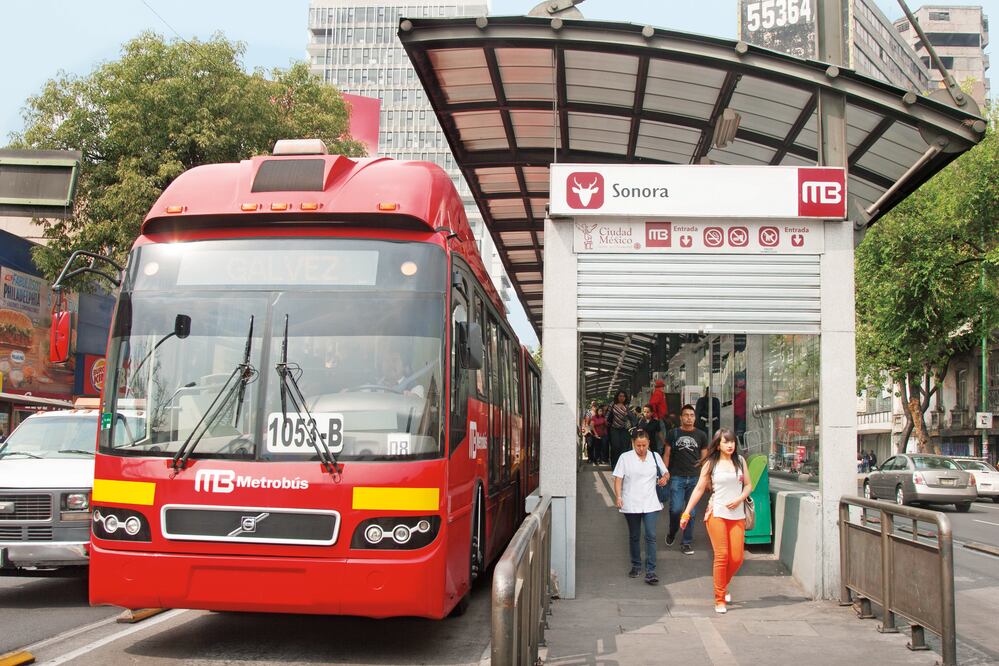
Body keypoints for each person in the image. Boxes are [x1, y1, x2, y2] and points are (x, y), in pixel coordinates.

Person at [679, 428, 752, 614]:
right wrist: (686, 512)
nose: (730, 445)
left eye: (732, 441)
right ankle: (719, 598)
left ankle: (722, 585)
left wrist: (740, 499)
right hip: (717, 514)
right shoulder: (711, 463)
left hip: (737, 515)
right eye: (726, 442)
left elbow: (748, 485)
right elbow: (699, 489)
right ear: (718, 445)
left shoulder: (740, 461)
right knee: (722, 556)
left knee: (737, 558)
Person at [613, 430, 670, 585]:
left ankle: (651, 570)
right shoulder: (625, 458)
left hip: (651, 503)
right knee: (634, 535)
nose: (641, 448)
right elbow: (618, 479)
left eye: (644, 445)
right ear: (633, 443)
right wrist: (618, 497)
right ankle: (636, 565)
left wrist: (664, 479)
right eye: (638, 445)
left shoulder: (655, 456)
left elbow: (666, 473)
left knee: (651, 535)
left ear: (649, 443)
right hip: (631, 502)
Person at [664, 404, 709, 554]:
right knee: (676, 509)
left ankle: (686, 542)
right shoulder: (673, 433)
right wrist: (665, 472)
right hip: (677, 477)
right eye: (686, 415)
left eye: (692, 415)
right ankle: (672, 531)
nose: (689, 418)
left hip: (695, 478)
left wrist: (706, 477)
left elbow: (705, 458)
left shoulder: (701, 435)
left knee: (692, 512)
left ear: (695, 418)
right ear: (681, 417)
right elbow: (667, 454)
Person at [607, 391, 637, 470]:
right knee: (615, 446)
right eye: (620, 396)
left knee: (624, 448)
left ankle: (623, 466)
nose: (622, 398)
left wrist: (628, 413)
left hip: (625, 429)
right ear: (617, 396)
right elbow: (607, 416)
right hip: (614, 429)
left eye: (623, 396)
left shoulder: (628, 406)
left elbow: (634, 417)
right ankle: (614, 465)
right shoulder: (612, 404)